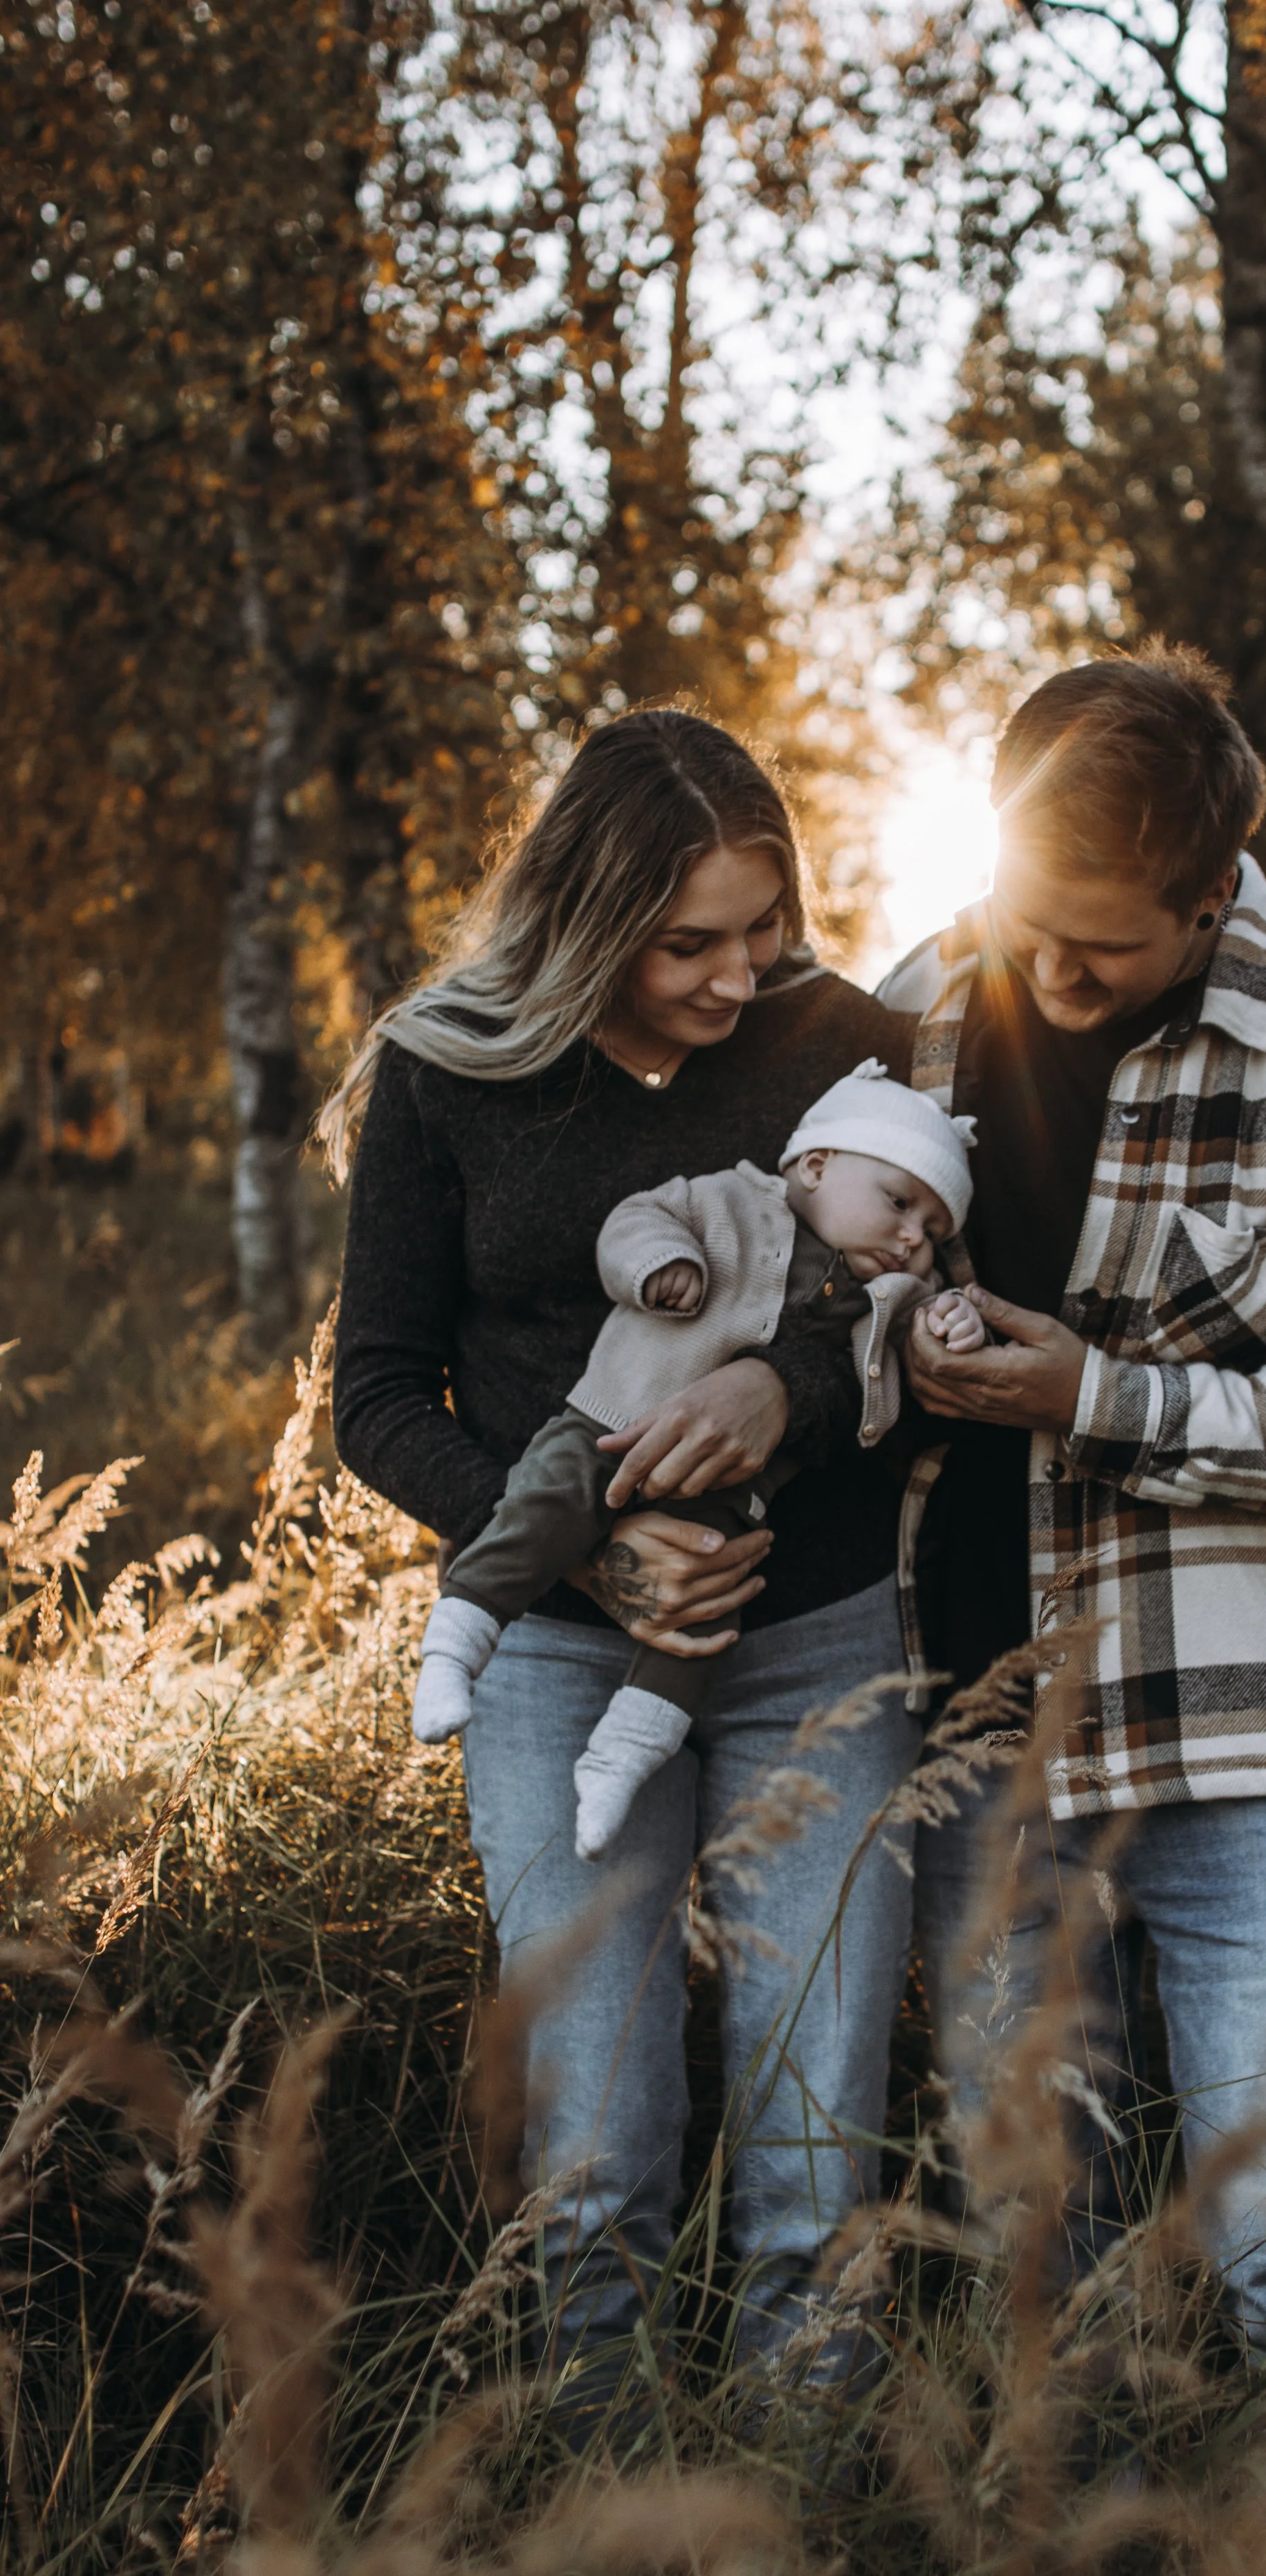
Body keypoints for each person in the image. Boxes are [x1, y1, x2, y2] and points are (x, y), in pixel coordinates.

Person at [881, 642, 1266, 2362]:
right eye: (1027, 918)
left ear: (1211, 888)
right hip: (976, 1727)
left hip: (1255, 1740)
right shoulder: (921, 997)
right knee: (1026, 2250)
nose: (1048, 968)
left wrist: (1098, 1394)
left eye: (1103, 943)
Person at [325, 706, 926, 2413]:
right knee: (595, 2128)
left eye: (763, 926)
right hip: (556, 1663)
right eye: (689, 942)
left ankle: (807, 2478)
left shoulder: (846, 1043)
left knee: (819, 2119)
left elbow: (912, 1310)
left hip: (821, 1640)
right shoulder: (450, 1068)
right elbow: (374, 1390)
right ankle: (602, 2479)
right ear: (587, 920)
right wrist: (585, 1555)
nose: (739, 976)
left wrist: (785, 1388)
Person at [410, 1060, 985, 1856]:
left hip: (725, 1500)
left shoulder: (887, 1296)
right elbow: (634, 1222)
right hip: (611, 1425)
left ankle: (622, 1756)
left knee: (704, 1617)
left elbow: (907, 1375)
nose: (912, 1236)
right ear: (817, 1164)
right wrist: (658, 1265)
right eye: (898, 1203)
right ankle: (455, 1646)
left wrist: (951, 1324)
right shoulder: (726, 1199)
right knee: (538, 1512)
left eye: (933, 1230)